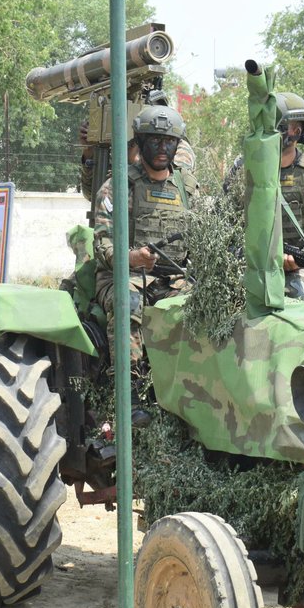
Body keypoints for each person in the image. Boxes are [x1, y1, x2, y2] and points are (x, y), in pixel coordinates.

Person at [93, 106, 197, 427]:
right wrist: (132, 257)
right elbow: (102, 243)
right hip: (124, 275)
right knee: (130, 302)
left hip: (176, 278)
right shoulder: (118, 186)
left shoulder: (188, 188)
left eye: (169, 142)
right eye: (154, 141)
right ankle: (131, 392)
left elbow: (202, 234)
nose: (162, 149)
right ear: (140, 143)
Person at [223, 92, 304, 301]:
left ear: (296, 132)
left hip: (296, 268)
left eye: (276, 126)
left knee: (298, 293)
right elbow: (224, 223)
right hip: (248, 262)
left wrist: (303, 256)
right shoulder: (242, 171)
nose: (267, 133)